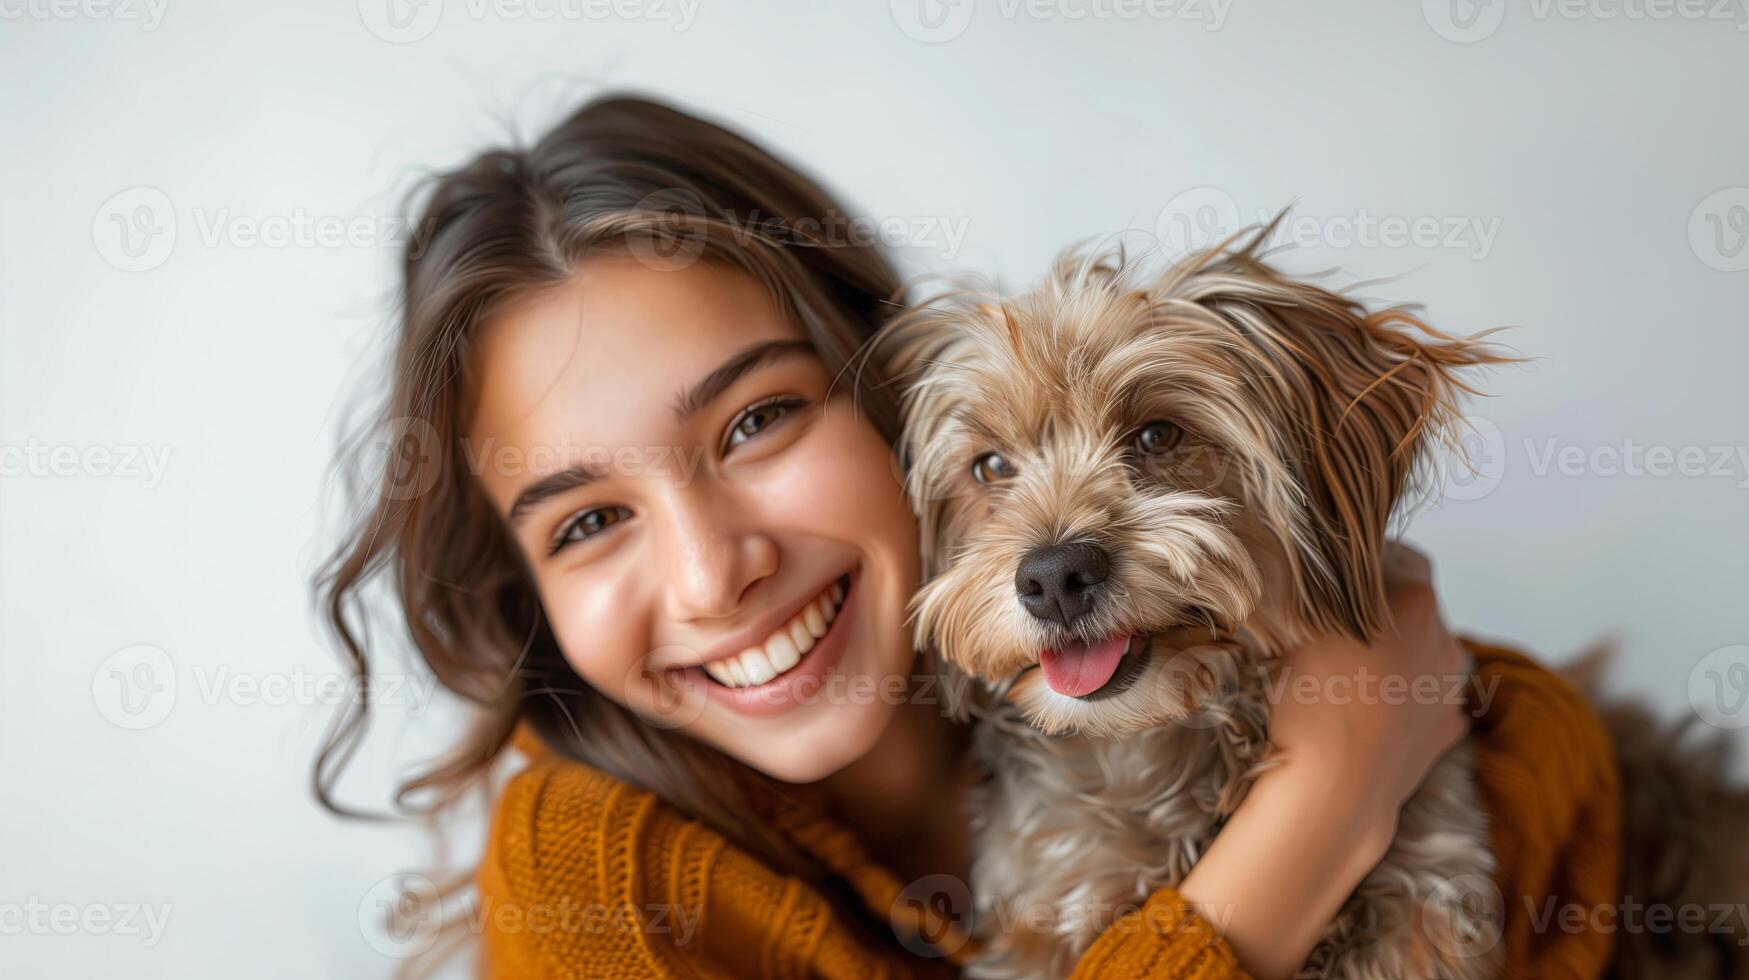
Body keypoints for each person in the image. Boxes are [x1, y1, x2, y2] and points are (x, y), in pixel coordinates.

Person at [318, 95, 1619, 979]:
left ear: (885, 395)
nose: (715, 572)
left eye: (758, 420)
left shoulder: (1512, 751)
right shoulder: (592, 888)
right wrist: (1323, 806)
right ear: (527, 598)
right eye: (591, 520)